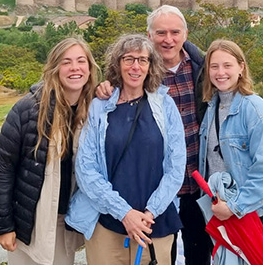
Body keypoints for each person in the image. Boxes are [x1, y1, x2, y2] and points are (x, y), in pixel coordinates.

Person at [96, 5, 212, 265]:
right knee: (160, 256)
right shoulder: (139, 70)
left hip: (197, 178)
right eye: (161, 32)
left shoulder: (204, 69)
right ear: (150, 36)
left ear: (185, 34)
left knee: (199, 252)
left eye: (174, 32)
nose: (168, 39)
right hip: (156, 186)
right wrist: (103, 87)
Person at [67, 34, 186, 265]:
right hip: (107, 225)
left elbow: (176, 167)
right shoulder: (100, 106)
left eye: (142, 60)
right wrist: (124, 213)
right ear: (117, 64)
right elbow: (86, 169)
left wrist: (150, 213)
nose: (135, 66)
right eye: (128, 59)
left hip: (154, 225)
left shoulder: (165, 105)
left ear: (151, 65)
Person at [0, 37, 100, 265]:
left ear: (90, 68)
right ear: (55, 68)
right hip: (29, 221)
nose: (75, 68)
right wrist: (3, 225)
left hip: (64, 220)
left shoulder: (95, 107)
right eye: (67, 62)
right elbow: (3, 167)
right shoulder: (29, 109)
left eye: (81, 61)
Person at [198, 39, 263, 236]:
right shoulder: (212, 107)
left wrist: (234, 206)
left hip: (248, 214)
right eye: (214, 66)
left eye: (227, 65)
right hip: (219, 212)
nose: (221, 73)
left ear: (241, 68)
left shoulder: (256, 112)